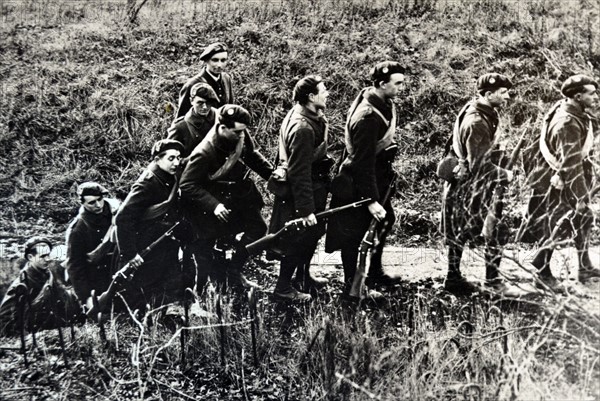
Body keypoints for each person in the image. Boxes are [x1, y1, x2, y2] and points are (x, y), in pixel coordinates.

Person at [325, 61, 406, 298]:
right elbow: (362, 162)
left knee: (385, 220)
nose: (401, 88)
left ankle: (374, 272)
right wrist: (370, 200)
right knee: (354, 234)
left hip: (376, 178)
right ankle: (353, 286)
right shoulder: (368, 116)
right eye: (397, 83)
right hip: (358, 183)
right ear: (381, 84)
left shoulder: (382, 103)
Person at [180, 105, 273, 291]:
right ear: (222, 128)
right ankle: (214, 283)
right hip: (211, 203)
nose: (243, 135)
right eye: (238, 131)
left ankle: (234, 269)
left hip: (236, 196)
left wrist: (272, 175)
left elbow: (252, 155)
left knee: (258, 228)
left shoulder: (240, 135)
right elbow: (187, 184)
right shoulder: (205, 152)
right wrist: (214, 205)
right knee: (210, 246)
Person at [519, 74, 600, 288]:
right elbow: (571, 164)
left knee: (581, 218)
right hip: (556, 180)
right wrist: (582, 197)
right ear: (578, 96)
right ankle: (542, 274)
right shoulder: (567, 123)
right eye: (592, 93)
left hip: (560, 174)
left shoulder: (571, 110)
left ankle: (584, 266)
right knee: (555, 224)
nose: (596, 97)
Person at [441, 73, 514, 295]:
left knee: (460, 232)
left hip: (471, 185)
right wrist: (505, 174)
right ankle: (490, 282)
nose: (507, 96)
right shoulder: (477, 121)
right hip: (471, 186)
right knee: (494, 230)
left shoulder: (483, 112)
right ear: (488, 94)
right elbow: (479, 164)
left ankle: (453, 278)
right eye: (503, 93)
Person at [268, 75, 332, 301]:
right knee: (296, 240)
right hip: (303, 192)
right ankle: (283, 288)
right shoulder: (303, 128)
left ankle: (303, 278)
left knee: (309, 236)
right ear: (311, 97)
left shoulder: (304, 114)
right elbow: (299, 171)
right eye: (323, 91)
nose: (327, 94)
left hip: (311, 188)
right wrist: (306, 210)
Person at [114, 139, 194, 312]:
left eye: (178, 158)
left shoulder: (169, 177)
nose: (176, 162)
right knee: (144, 289)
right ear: (157, 159)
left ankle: (167, 317)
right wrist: (130, 254)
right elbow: (122, 218)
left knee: (172, 283)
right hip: (146, 245)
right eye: (171, 158)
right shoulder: (147, 183)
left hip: (164, 241)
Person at [0, 237, 79, 335]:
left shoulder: (50, 274)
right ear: (30, 257)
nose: (48, 259)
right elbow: (5, 318)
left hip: (55, 330)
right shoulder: (22, 284)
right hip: (34, 335)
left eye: (48, 255)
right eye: (43, 256)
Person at [65, 182, 119, 303]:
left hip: (121, 268)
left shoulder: (117, 211)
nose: (98, 205)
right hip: (98, 280)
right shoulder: (78, 229)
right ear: (82, 203)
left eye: (100, 199)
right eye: (91, 202)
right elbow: (75, 266)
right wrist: (87, 298)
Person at [176, 42, 234, 118]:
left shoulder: (226, 79)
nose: (219, 65)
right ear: (206, 61)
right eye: (215, 60)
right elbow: (181, 118)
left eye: (223, 60)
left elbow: (230, 107)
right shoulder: (192, 84)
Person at [168, 82, 220, 159]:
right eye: (200, 103)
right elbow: (169, 155)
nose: (205, 107)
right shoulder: (181, 126)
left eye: (208, 102)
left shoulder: (220, 116)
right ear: (191, 101)